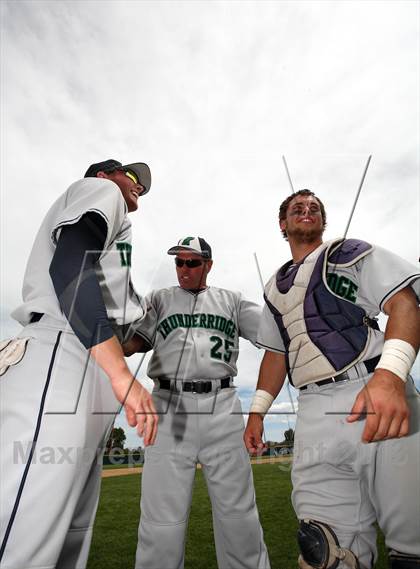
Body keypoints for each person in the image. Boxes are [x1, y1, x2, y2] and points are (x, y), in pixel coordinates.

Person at [244, 189, 420, 569]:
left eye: (314, 208)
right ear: (283, 225)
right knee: (325, 550)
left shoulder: (347, 252)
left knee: (412, 542)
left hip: (373, 390)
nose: (306, 211)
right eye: (297, 208)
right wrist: (257, 411)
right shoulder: (274, 287)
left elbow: (404, 302)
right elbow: (276, 355)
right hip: (313, 410)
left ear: (322, 221)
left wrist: (390, 377)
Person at [0, 159, 158, 569]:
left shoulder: (119, 229)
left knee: (64, 536)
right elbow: (70, 267)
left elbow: (118, 314)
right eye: (132, 176)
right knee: (22, 533)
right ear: (104, 175)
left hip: (86, 356)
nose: (140, 185)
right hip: (61, 347)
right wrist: (121, 374)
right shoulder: (100, 191)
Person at [125, 236, 271, 569]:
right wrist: (111, 329)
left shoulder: (231, 301)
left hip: (222, 403)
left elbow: (273, 334)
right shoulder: (160, 299)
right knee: (161, 520)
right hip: (168, 406)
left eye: (192, 262)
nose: (184, 269)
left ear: (208, 265)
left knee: (239, 516)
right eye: (179, 262)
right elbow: (132, 343)